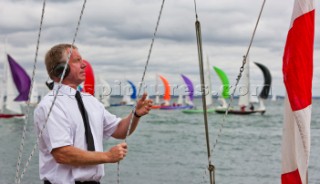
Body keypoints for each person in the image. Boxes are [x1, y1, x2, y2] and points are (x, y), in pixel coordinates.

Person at [34, 43, 153, 184]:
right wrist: (108, 156)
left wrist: (136, 114)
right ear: (61, 69)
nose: (84, 65)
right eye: (77, 60)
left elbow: (120, 130)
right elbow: (62, 154)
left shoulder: (91, 101)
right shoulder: (50, 105)